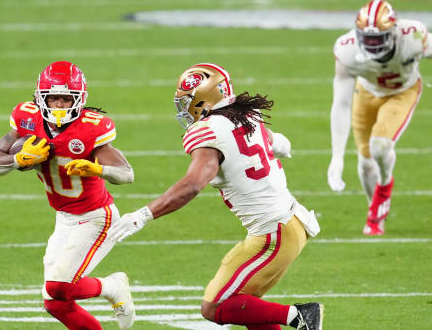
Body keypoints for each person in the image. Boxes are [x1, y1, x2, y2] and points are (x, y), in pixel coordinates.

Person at [106, 63, 323, 330]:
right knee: (246, 305)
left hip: (273, 233)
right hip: (290, 224)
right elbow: (277, 142)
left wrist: (143, 215)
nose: (185, 107)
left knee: (215, 307)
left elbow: (193, 184)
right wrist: (278, 149)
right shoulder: (247, 115)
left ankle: (301, 316)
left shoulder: (208, 131)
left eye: (188, 100)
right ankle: (296, 317)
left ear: (203, 98)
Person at [0, 61, 136, 330]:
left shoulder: (91, 127)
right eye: (52, 98)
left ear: (78, 100)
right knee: (55, 303)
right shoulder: (27, 119)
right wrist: (17, 160)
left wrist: (98, 169)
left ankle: (113, 286)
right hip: (64, 217)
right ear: (40, 97)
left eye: (65, 99)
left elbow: (127, 173)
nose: (58, 105)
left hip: (95, 217)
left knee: (58, 286)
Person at [327, 0, 432, 235]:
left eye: (378, 39)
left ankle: (384, 185)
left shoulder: (413, 36)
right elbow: (341, 103)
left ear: (394, 31)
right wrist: (337, 157)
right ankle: (374, 208)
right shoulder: (346, 48)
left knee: (380, 145)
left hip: (402, 91)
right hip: (367, 93)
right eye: (368, 39)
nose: (373, 45)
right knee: (365, 164)